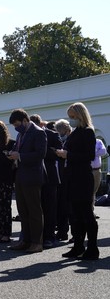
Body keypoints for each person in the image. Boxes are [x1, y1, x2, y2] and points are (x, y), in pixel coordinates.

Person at [56, 102, 99, 260]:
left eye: (72, 117)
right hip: (72, 177)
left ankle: (92, 248)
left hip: (82, 177)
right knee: (75, 214)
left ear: (80, 116)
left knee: (87, 213)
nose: (71, 120)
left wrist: (68, 155)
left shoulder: (87, 132)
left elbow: (89, 156)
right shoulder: (75, 132)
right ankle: (78, 245)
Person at [7, 108, 47, 254]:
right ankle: (25, 240)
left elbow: (40, 154)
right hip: (21, 175)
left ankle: (37, 242)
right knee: (23, 211)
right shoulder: (21, 134)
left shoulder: (38, 132)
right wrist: (13, 154)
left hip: (32, 176)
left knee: (34, 210)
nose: (16, 128)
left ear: (25, 120)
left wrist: (20, 156)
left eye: (17, 124)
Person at [29, 114, 62, 249]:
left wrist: (40, 151)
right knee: (36, 209)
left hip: (49, 177)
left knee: (49, 208)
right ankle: (37, 237)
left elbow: (59, 154)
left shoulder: (52, 135)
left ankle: (49, 236)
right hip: (34, 177)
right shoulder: (26, 136)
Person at [54, 118, 72, 241]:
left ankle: (68, 232)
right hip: (60, 175)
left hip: (69, 175)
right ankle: (62, 230)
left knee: (68, 206)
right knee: (61, 205)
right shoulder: (61, 140)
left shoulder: (72, 139)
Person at [91, 138, 107, 211]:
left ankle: (91, 210)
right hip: (86, 170)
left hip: (96, 170)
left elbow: (103, 151)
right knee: (87, 191)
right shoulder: (82, 141)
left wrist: (93, 153)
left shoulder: (98, 141)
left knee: (94, 191)